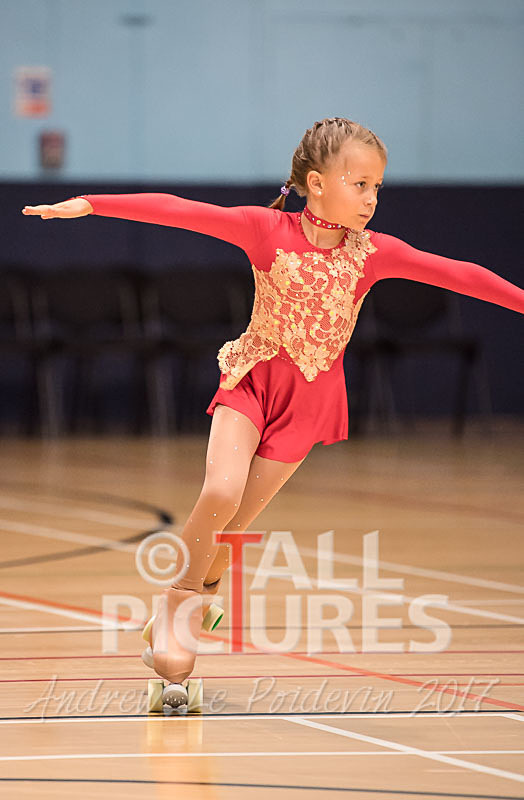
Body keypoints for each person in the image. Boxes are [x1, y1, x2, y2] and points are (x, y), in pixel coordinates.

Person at [22, 117, 524, 707]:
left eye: (377, 187)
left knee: (231, 530)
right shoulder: (265, 230)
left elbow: (459, 274)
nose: (371, 198)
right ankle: (178, 608)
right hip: (252, 382)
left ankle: (192, 607)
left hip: (307, 405)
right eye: (359, 183)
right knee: (218, 494)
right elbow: (176, 210)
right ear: (316, 182)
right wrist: (90, 203)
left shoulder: (374, 255)